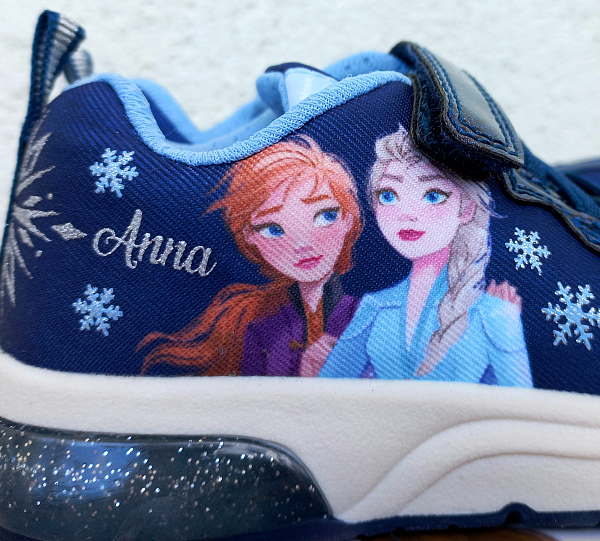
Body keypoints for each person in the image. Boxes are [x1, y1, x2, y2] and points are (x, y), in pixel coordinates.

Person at [321, 126, 532, 386]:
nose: (407, 214)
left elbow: (517, 400)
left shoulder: (494, 315)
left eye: (433, 196)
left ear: (466, 208)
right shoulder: (374, 308)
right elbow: (326, 392)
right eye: (388, 195)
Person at [138, 135, 361, 377]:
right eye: (273, 229)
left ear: (348, 218)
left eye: (326, 215)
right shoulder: (259, 329)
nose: (303, 244)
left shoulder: (371, 313)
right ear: (249, 237)